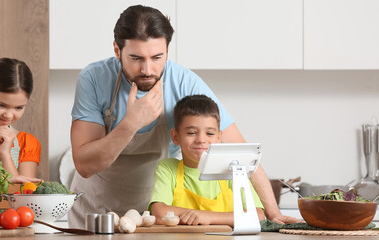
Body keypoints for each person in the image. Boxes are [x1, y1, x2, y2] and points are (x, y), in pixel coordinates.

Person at [69, 5, 299, 228]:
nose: (147, 69)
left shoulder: (183, 82)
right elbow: (85, 165)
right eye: (136, 58)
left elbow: (240, 154)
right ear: (117, 51)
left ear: (168, 50)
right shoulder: (93, 79)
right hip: (97, 213)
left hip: (155, 214)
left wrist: (273, 212)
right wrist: (131, 123)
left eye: (157, 57)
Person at [149, 95, 265, 226]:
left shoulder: (233, 170)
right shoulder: (168, 168)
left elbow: (258, 215)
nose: (201, 140)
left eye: (209, 133)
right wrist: (199, 216)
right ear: (175, 137)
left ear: (219, 137)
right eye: (192, 132)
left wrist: (208, 217)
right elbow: (159, 213)